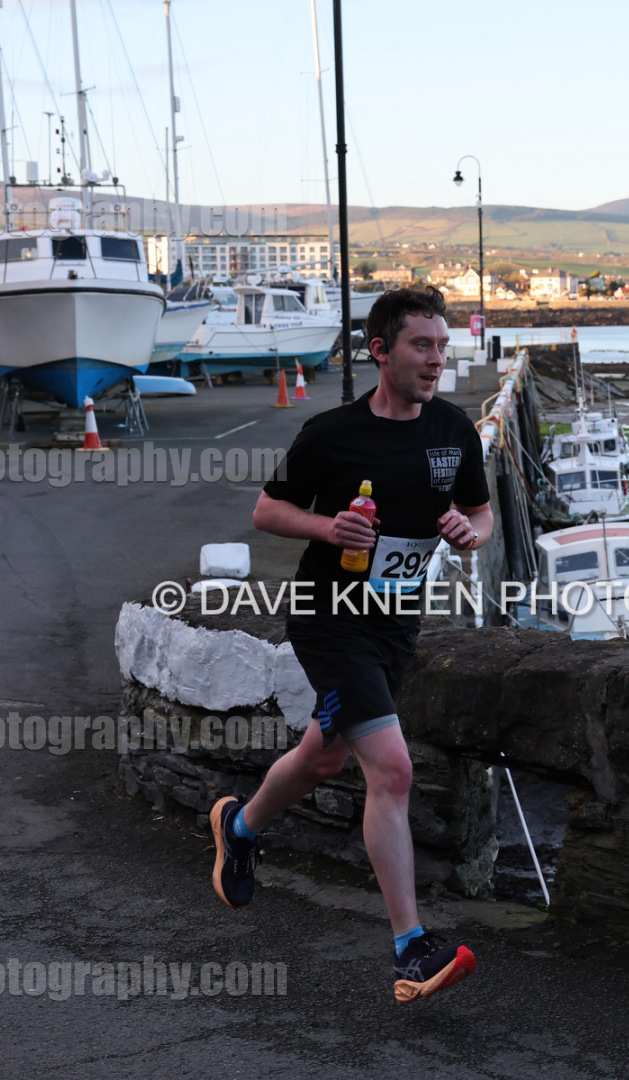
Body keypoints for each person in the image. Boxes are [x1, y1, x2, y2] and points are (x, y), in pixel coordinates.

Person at [212, 286, 493, 1004]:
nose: (436, 359)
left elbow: (480, 511)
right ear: (380, 351)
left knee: (324, 756)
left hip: (395, 623)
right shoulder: (331, 433)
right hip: (329, 617)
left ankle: (239, 826)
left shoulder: (453, 431)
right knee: (392, 770)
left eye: (442, 345)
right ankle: (410, 949)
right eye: (421, 345)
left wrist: (469, 533)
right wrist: (327, 527)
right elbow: (267, 509)